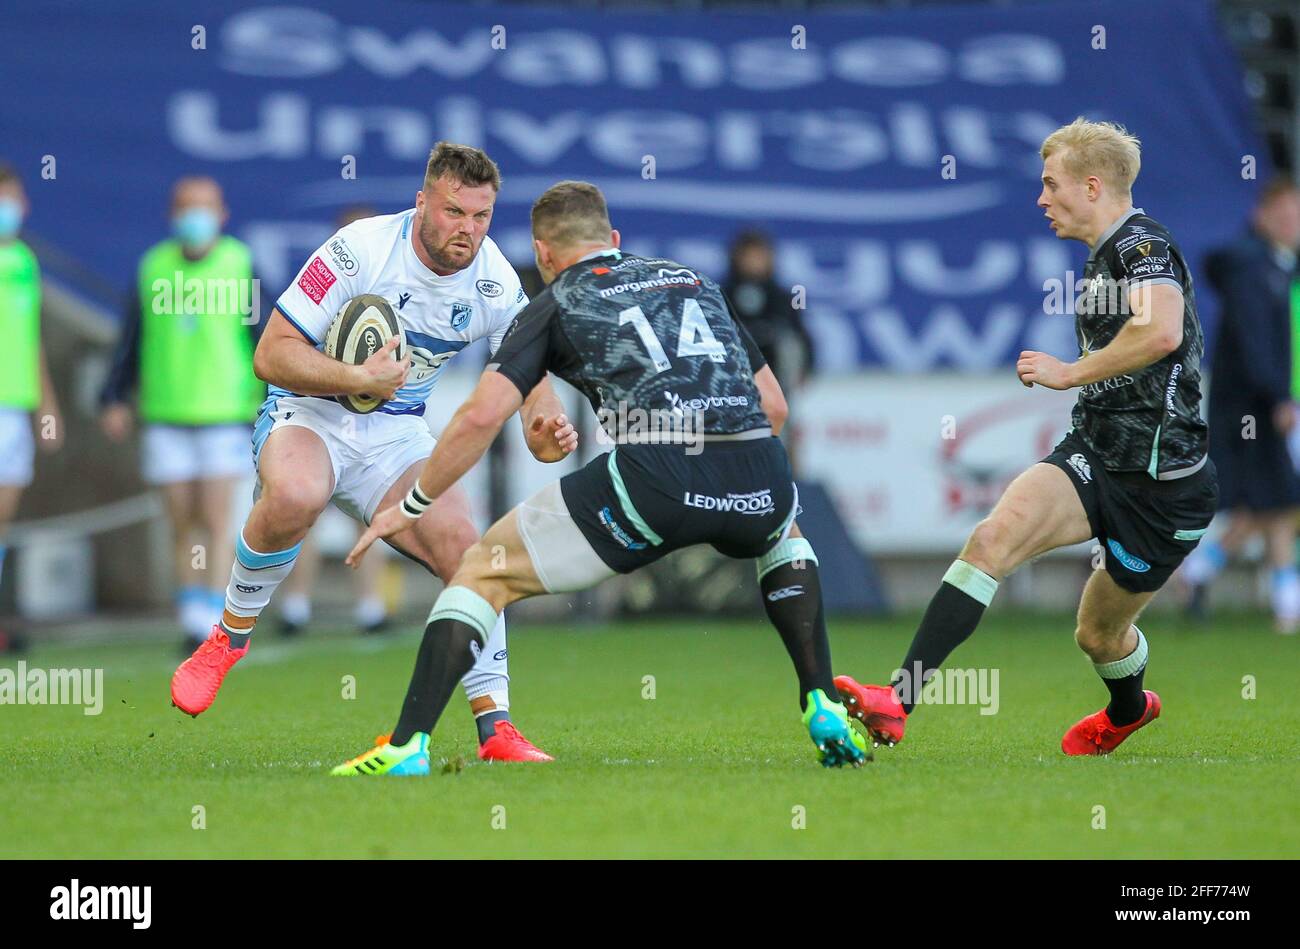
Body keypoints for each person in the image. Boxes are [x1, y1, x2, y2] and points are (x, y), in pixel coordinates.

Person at [330, 180, 868, 776]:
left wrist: (412, 503)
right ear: (614, 239)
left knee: (483, 570)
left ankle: (407, 746)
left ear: (544, 255)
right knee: (784, 532)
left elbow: (481, 416)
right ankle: (819, 697)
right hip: (760, 471)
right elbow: (774, 407)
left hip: (657, 482)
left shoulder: (556, 300)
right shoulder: (694, 283)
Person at [170, 143, 567, 763]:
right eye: (453, 211)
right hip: (310, 410)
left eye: (481, 217)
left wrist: (543, 419)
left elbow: (529, 373)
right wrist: (356, 378)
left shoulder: (493, 281)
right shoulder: (360, 248)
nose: (466, 230)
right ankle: (228, 635)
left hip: (397, 433)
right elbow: (270, 355)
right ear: (421, 202)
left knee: (470, 554)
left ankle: (497, 730)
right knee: (298, 495)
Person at [836, 118, 1218, 756]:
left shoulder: (1141, 243)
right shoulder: (1103, 256)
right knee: (991, 539)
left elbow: (1160, 333)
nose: (1041, 199)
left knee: (1098, 636)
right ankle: (895, 703)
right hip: (1095, 457)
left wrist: (1069, 372)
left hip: (1163, 484)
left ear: (1092, 186)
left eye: (1051, 185)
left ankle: (1129, 708)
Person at [100, 176, 260, 651]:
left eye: (205, 207)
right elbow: (130, 338)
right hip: (167, 413)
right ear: (173, 215)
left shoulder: (240, 264)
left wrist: (275, 396)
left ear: (222, 213)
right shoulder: (153, 267)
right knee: (180, 521)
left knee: (216, 518)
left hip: (226, 412)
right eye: (187, 207)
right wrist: (114, 396)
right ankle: (191, 614)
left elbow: (262, 337)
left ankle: (214, 615)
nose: (196, 217)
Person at [1182, 178, 1300, 632]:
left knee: (1270, 505)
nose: (1291, 224)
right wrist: (1279, 396)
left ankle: (1197, 574)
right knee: (1277, 503)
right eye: (1284, 215)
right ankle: (1285, 608)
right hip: (1254, 410)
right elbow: (1256, 345)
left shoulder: (1279, 269)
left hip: (1267, 403)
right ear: (1262, 218)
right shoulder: (1255, 271)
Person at [278, 204, 392, 637]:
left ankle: (371, 607)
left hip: (368, 422)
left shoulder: (387, 292)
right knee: (304, 513)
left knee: (370, 518)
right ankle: (295, 608)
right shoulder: (316, 287)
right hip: (318, 417)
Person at [0, 163, 62, 653]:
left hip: (15, 407)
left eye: (14, 199)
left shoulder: (23, 261)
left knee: (4, 517)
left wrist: (47, 405)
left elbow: (30, 339)